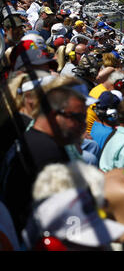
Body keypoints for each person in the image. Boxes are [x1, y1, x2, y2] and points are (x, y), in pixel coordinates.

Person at [1, 85, 87, 237]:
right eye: (78, 118)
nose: (84, 126)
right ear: (54, 116)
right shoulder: (48, 154)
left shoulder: (32, 140)